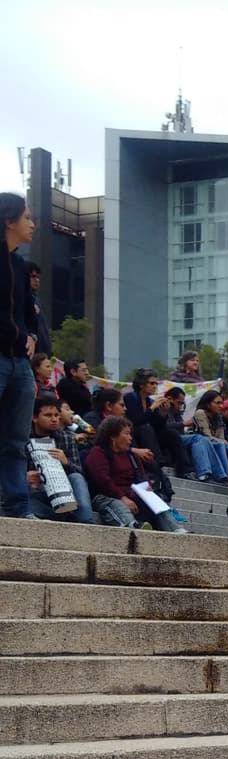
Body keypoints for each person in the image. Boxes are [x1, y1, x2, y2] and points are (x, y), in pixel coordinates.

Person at [1, 194, 38, 519]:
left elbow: (29, 312)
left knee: (16, 439)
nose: (33, 224)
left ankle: (17, 508)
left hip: (20, 365)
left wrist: (33, 336)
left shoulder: (21, 266)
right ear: (9, 221)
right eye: (27, 217)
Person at [84, 415, 186, 532]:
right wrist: (122, 497)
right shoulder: (98, 452)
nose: (130, 438)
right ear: (113, 436)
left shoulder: (131, 456)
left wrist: (148, 491)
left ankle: (177, 530)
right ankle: (133, 527)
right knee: (117, 505)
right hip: (107, 496)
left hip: (132, 494)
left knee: (157, 505)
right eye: (126, 434)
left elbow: (141, 477)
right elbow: (103, 480)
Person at [25, 393, 93, 523]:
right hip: (36, 491)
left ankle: (86, 522)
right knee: (21, 495)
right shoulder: (23, 438)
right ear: (34, 417)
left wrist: (66, 462)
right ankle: (62, 518)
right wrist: (25, 476)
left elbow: (79, 472)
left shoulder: (66, 438)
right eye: (48, 415)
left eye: (56, 415)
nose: (54, 419)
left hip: (64, 492)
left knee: (76, 477)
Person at [188, 389, 228, 480]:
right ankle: (225, 476)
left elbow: (222, 438)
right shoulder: (200, 413)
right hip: (202, 443)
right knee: (220, 445)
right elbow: (207, 436)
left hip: (215, 443)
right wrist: (221, 441)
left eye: (222, 403)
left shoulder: (218, 417)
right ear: (208, 404)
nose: (221, 406)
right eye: (218, 403)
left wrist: (222, 441)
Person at [25, 261, 52, 359]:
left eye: (38, 277)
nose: (37, 280)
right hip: (28, 355)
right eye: (33, 276)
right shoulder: (19, 299)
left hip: (41, 356)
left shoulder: (36, 300)